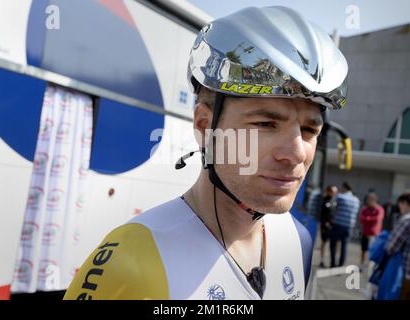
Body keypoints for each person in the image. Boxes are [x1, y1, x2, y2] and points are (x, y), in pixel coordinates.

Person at [64, 6, 348, 300]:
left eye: (309, 131)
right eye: (266, 124)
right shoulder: (128, 261)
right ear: (204, 125)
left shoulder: (297, 240)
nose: (296, 153)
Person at [330, 182, 360, 268]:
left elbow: (332, 205)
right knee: (344, 245)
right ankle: (341, 265)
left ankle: (333, 264)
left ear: (344, 188)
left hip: (338, 224)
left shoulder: (340, 197)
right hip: (349, 226)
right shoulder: (356, 200)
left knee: (333, 244)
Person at [359, 192, 384, 267]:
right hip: (365, 232)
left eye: (370, 199)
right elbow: (361, 218)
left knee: (373, 251)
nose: (368, 201)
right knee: (364, 250)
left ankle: (371, 266)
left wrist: (367, 218)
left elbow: (377, 219)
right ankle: (362, 265)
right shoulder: (365, 209)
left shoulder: (379, 209)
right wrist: (369, 219)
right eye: (368, 199)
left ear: (374, 200)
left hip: (374, 234)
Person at [319, 185, 338, 268]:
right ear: (329, 191)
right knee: (324, 242)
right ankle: (322, 260)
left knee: (334, 244)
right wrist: (324, 223)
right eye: (333, 191)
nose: (334, 193)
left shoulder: (335, 200)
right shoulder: (324, 200)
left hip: (333, 225)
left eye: (335, 192)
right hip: (325, 225)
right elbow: (322, 213)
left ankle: (332, 261)